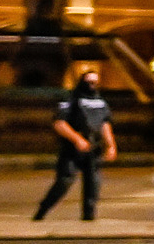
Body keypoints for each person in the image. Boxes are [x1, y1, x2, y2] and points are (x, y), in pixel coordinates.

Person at [33, 65, 117, 221]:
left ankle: (88, 217)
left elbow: (105, 124)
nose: (92, 86)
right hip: (72, 149)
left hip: (94, 148)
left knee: (93, 184)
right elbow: (59, 123)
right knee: (64, 181)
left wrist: (111, 145)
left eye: (95, 82)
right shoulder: (71, 99)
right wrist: (77, 139)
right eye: (89, 82)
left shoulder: (100, 102)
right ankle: (42, 212)